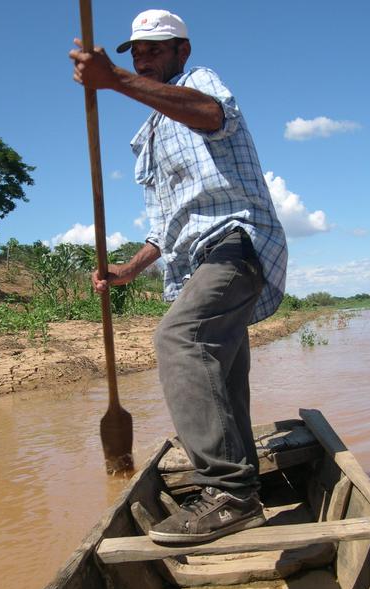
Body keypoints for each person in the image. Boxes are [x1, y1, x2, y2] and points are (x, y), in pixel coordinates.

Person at [70, 9, 287, 544]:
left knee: (181, 338)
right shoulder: (149, 133)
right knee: (222, 369)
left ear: (181, 52)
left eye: (155, 50)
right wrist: (125, 270)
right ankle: (242, 480)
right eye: (135, 53)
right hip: (195, 259)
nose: (143, 58)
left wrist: (113, 79)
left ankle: (230, 493)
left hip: (236, 241)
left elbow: (212, 115)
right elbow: (163, 229)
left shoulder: (198, 82)